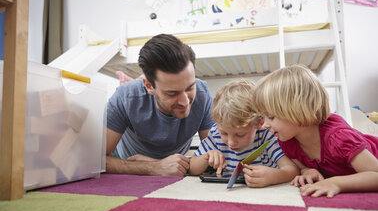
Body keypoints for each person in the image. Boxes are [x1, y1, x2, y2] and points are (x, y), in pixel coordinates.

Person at [253, 64, 378, 197]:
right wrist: (308, 171)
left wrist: (336, 183)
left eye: (271, 117)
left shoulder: (338, 138)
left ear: (298, 109)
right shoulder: (288, 141)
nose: (265, 124)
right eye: (263, 117)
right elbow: (302, 167)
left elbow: (375, 175)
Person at [106, 34, 215, 176]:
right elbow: (94, 161)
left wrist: (167, 165)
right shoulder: (125, 98)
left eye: (189, 88)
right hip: (128, 163)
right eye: (172, 93)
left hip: (177, 166)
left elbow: (215, 155)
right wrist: (154, 167)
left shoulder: (203, 95)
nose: (184, 102)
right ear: (149, 86)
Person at [189, 79, 299, 188]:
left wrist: (272, 176)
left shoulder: (266, 135)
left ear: (259, 123)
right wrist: (206, 157)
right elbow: (192, 168)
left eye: (240, 134)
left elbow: (292, 170)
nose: (231, 142)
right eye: (224, 133)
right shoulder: (215, 133)